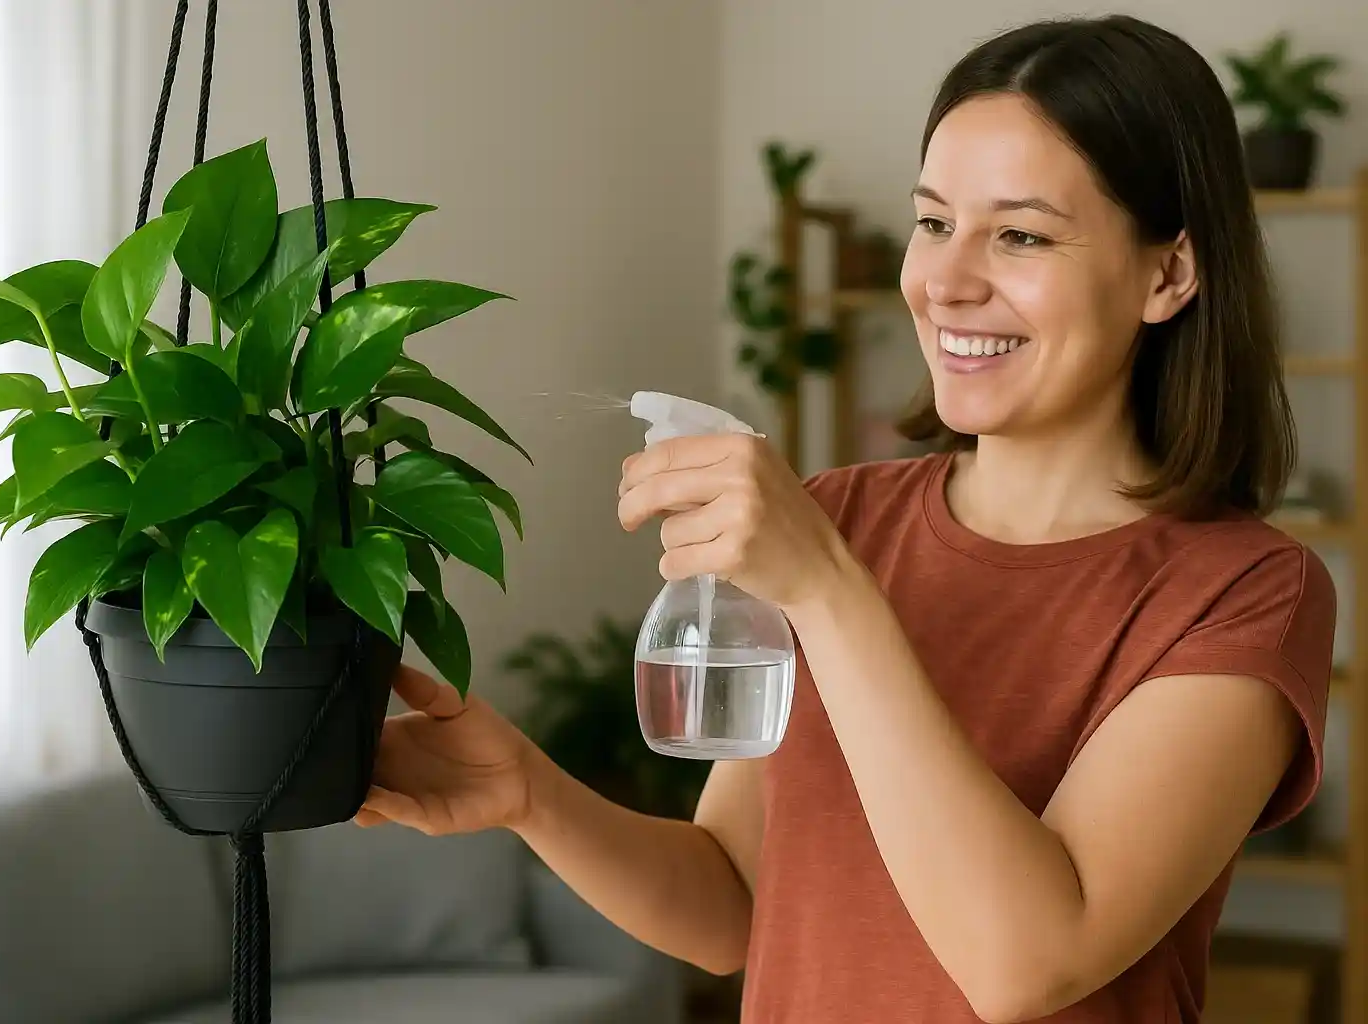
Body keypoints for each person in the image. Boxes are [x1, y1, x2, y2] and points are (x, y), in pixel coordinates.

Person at [356, 14, 1337, 1023]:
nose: (946, 283)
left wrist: (826, 588)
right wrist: (530, 793)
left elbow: (1027, 963)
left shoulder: (1242, 593)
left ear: (1168, 273)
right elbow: (737, 901)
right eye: (933, 221)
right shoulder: (839, 520)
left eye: (1021, 234)